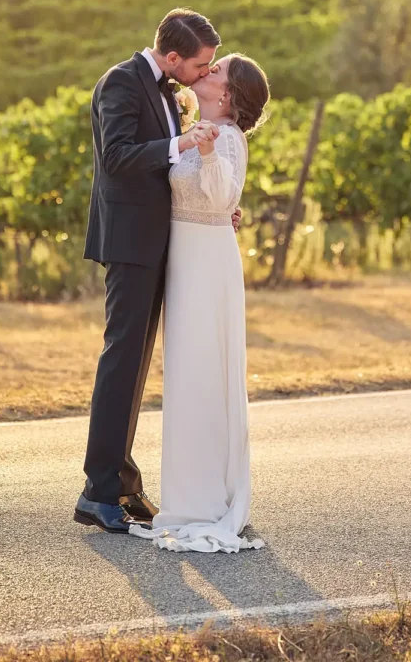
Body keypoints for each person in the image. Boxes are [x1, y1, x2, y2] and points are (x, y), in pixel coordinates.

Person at [75, 8, 238, 533]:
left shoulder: (168, 91)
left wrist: (216, 207)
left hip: (160, 242)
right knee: (121, 360)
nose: (202, 73)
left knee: (137, 365)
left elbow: (173, 173)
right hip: (130, 242)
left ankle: (122, 484)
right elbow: (119, 157)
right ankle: (97, 492)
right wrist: (182, 142)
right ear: (172, 57)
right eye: (199, 64)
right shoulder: (121, 83)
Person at [128, 52, 270, 553]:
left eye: (217, 71)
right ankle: (187, 492)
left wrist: (207, 154)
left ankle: (207, 499)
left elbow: (220, 198)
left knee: (206, 372)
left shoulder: (225, 138)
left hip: (209, 265)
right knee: (186, 374)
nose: (206, 73)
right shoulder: (193, 127)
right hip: (184, 261)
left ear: (227, 95)